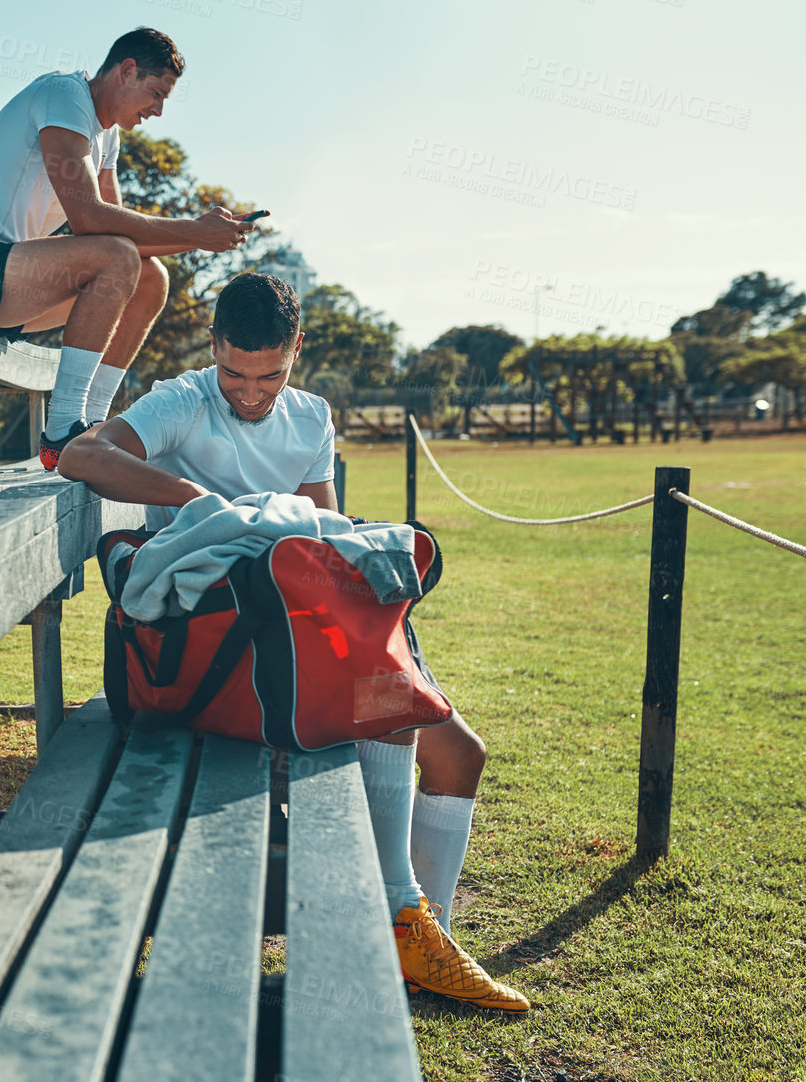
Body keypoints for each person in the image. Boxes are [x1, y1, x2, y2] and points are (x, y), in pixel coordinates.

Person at [58, 271, 529, 1013]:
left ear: (297, 350)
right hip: (216, 640)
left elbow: (325, 543)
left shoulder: (312, 417)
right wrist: (192, 499)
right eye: (235, 372)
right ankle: (398, 927)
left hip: (297, 625)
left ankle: (409, 937)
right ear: (214, 347)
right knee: (389, 704)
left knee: (460, 754)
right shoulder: (185, 398)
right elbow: (83, 454)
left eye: (270, 373)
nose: (250, 392)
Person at [0, 26, 260, 470]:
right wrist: (195, 232)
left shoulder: (108, 136)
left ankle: (93, 427)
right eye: (155, 93)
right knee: (118, 258)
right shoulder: (64, 94)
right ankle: (62, 432)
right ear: (127, 71)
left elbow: (120, 237)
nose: (157, 110)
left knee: (150, 278)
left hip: (10, 285)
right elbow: (90, 219)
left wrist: (206, 238)